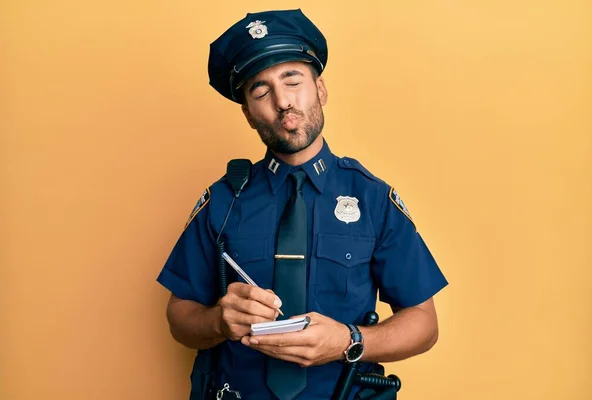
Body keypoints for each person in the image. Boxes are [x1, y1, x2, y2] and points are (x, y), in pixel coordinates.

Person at [157, 9, 448, 400]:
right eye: (260, 91)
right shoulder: (224, 200)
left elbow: (424, 324)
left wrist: (349, 340)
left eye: (292, 80)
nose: (282, 102)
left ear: (320, 90)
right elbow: (180, 317)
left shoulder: (372, 198)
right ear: (247, 113)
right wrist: (218, 321)